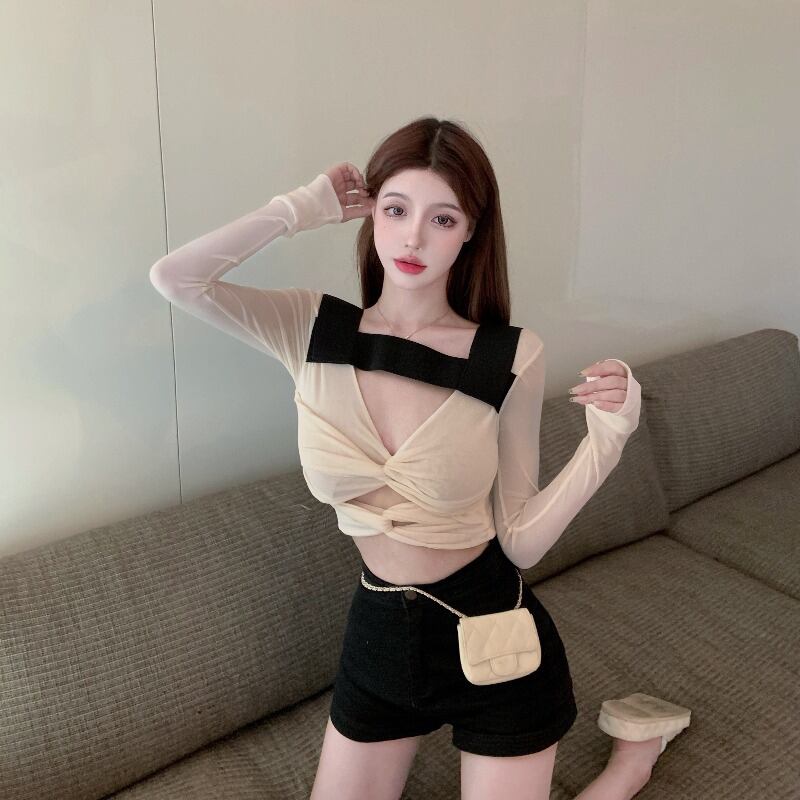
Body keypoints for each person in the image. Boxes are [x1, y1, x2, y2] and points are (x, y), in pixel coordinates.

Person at [149, 116, 690, 800]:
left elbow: (521, 542)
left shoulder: (507, 356)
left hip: (491, 634)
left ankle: (633, 758)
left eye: (442, 219)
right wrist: (301, 208)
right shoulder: (313, 329)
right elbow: (177, 279)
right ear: (371, 212)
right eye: (397, 209)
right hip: (380, 636)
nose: (413, 238)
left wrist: (607, 442)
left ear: (469, 232)